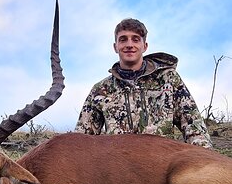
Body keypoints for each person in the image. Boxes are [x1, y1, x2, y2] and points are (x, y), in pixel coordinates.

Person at [75, 18, 212, 148]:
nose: (129, 45)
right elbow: (81, 140)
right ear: (115, 47)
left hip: (162, 163)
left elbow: (193, 126)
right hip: (118, 166)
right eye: (123, 40)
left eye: (135, 39)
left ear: (144, 46)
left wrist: (206, 163)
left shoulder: (168, 80)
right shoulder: (100, 90)